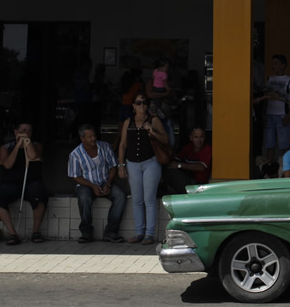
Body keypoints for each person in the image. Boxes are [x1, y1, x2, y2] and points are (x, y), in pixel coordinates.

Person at [117, 93, 168, 245]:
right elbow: (123, 144)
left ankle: (149, 233)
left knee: (149, 199)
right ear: (133, 105)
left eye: (144, 103)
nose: (141, 106)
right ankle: (139, 231)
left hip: (150, 162)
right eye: (138, 103)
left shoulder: (154, 120)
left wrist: (152, 130)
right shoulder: (128, 122)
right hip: (132, 163)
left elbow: (166, 139)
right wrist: (121, 165)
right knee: (137, 199)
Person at [67, 124, 126, 243]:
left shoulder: (104, 146)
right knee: (84, 197)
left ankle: (111, 232)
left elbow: (113, 167)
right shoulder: (75, 154)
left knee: (120, 196)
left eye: (94, 135)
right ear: (82, 138)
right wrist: (92, 186)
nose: (93, 138)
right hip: (86, 184)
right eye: (90, 137)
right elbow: (75, 176)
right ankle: (86, 232)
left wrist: (108, 184)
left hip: (105, 181)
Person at [0, 122, 48, 245]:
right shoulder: (6, 147)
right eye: (23, 130)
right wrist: (18, 146)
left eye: (29, 131)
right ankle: (13, 233)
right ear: (16, 132)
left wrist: (27, 144)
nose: (26, 133)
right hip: (11, 182)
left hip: (31, 181)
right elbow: (7, 164)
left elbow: (33, 156)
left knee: (39, 192)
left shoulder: (36, 145)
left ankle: (36, 232)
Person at [255, 54, 290, 162]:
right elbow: (266, 99)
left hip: (282, 114)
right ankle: (269, 169)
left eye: (276, 63)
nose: (273, 66)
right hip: (270, 115)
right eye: (272, 64)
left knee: (284, 144)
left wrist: (289, 115)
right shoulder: (269, 79)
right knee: (269, 143)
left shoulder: (289, 80)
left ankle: (285, 168)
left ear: (283, 65)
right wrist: (264, 113)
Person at [163, 126, 212, 193]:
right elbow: (176, 160)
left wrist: (180, 165)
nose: (199, 140)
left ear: (204, 138)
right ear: (191, 138)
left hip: (200, 185)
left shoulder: (207, 149)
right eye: (196, 137)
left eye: (201, 137)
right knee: (170, 169)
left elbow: (201, 167)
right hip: (187, 181)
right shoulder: (188, 147)